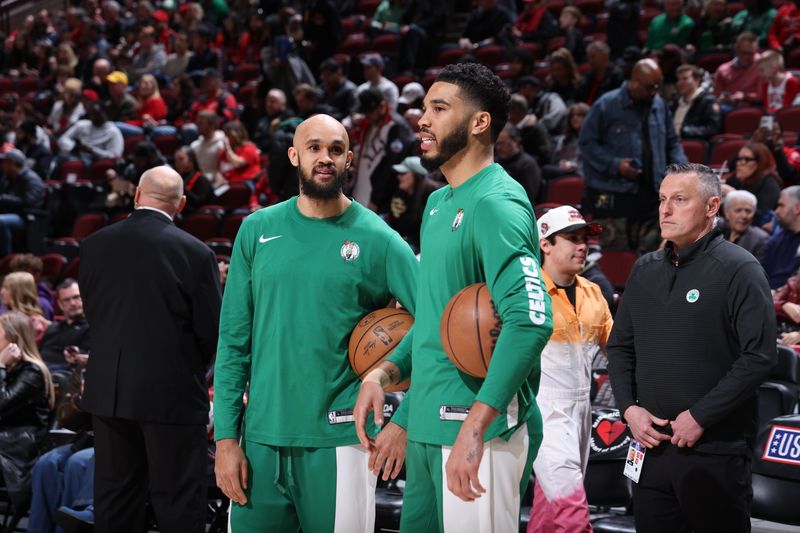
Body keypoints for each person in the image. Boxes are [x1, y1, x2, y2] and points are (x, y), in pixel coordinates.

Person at [353, 62, 553, 532]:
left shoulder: (497, 203)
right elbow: (435, 322)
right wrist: (384, 375)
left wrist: (476, 427)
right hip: (427, 423)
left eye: (439, 108)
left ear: (480, 122)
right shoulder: (438, 203)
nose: (422, 119)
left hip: (477, 429)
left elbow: (530, 321)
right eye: (423, 108)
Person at [213, 113, 418, 532]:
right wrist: (225, 439)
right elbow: (234, 341)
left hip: (342, 441)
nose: (325, 158)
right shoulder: (257, 230)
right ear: (294, 156)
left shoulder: (379, 238)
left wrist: (404, 419)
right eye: (314, 148)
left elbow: (436, 325)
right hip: (260, 440)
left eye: (336, 150)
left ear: (349, 160)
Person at [607, 162, 777, 532]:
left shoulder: (740, 268)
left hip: (715, 451)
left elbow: (760, 357)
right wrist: (629, 410)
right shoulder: (644, 269)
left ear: (712, 207)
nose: (665, 210)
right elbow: (619, 347)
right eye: (662, 199)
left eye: (679, 200)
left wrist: (700, 416)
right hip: (650, 449)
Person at [78, 166, 222, 533]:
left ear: (137, 195)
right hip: (170, 395)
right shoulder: (195, 252)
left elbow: (95, 314)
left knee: (114, 500)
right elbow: (211, 332)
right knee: (177, 502)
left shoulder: (94, 244)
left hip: (109, 391)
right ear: (182, 204)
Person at [528, 205, 612, 533]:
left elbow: (617, 350)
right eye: (572, 238)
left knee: (549, 505)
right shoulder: (526, 290)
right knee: (572, 510)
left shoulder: (594, 292)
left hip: (582, 409)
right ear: (545, 244)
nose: (583, 246)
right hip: (541, 407)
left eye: (585, 239)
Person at [579, 59, 687, 253]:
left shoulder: (659, 105)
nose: (653, 92)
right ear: (634, 81)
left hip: (652, 195)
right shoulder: (606, 105)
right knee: (616, 261)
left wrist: (682, 172)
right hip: (614, 196)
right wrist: (615, 165)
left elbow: (672, 143)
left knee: (653, 261)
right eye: (649, 88)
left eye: (656, 87)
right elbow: (587, 144)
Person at [0, 311, 54, 511]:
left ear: (13, 339)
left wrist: (0, 366)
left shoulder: (32, 372)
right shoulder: (9, 368)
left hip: (16, 450)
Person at [37, 279, 90, 373]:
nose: (72, 303)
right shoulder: (52, 328)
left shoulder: (94, 327)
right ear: (60, 304)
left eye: (76, 297)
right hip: (40, 372)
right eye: (67, 300)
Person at [0, 149, 45, 256]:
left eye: (4, 161)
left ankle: (5, 259)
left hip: (25, 216)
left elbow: (30, 201)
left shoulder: (31, 178)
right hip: (9, 212)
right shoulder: (7, 178)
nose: (1, 165)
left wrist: (4, 198)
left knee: (0, 221)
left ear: (13, 162)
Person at [725, 142, 781, 225]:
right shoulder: (738, 180)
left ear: (760, 162)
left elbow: (761, 218)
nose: (740, 163)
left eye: (747, 159)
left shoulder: (769, 183)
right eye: (739, 159)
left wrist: (734, 194)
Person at [761, 185, 800, 289]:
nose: (777, 211)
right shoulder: (774, 241)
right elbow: (761, 274)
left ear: (797, 208)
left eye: (781, 205)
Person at [495, 122, 542, 206]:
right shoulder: (495, 162)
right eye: (496, 144)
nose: (498, 148)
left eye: (502, 143)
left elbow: (527, 198)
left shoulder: (528, 164)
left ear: (515, 141)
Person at [671, 64, 721, 142]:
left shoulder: (708, 101)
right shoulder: (676, 102)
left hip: (690, 143)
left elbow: (713, 128)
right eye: (678, 79)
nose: (680, 83)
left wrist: (683, 131)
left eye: (685, 79)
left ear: (697, 80)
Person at [713, 32, 762, 112]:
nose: (747, 57)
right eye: (743, 53)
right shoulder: (723, 70)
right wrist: (721, 99)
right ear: (736, 49)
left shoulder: (762, 65)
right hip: (728, 106)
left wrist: (745, 96)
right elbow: (716, 96)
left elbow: (764, 95)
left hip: (754, 105)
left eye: (751, 54)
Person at [2, 271, 50, 342]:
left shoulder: (35, 324)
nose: (2, 292)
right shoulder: (5, 316)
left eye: (6, 288)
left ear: (18, 292)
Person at [723, 189, 770, 261]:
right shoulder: (717, 231)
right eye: (738, 210)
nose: (744, 216)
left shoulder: (760, 240)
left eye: (748, 211)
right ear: (727, 212)